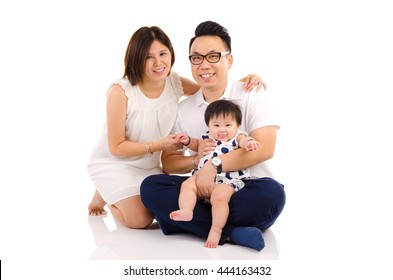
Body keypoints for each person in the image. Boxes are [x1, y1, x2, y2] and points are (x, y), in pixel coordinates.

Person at [86, 25, 264, 229]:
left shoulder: (173, 82)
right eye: (148, 57)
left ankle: (110, 190)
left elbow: (209, 87)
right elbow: (116, 146)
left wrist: (244, 82)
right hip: (115, 162)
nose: (158, 62)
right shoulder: (120, 91)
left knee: (163, 205)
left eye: (163, 53)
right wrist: (158, 145)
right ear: (136, 58)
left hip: (149, 166)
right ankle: (105, 189)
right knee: (140, 220)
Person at [141, 21, 286, 250]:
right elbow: (168, 163)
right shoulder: (184, 108)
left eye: (213, 56)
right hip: (201, 192)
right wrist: (197, 161)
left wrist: (214, 166)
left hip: (243, 190)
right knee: (151, 187)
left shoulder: (251, 93)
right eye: (196, 58)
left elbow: (266, 148)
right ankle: (232, 233)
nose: (204, 64)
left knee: (273, 193)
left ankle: (192, 225)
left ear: (229, 60)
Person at [170, 99, 260, 248]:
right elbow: (196, 144)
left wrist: (249, 143)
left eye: (228, 125)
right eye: (216, 125)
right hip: (201, 178)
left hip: (226, 180)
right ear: (209, 126)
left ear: (238, 126)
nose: (222, 130)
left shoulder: (237, 138)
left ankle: (216, 229)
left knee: (219, 198)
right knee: (187, 185)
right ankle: (186, 210)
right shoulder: (208, 137)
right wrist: (187, 141)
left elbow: (244, 140)